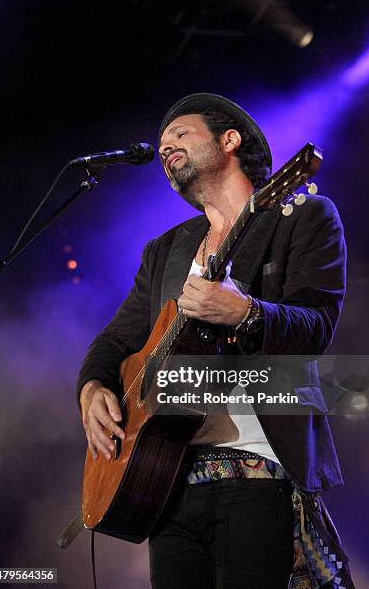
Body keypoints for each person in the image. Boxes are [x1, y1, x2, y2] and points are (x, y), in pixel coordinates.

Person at [77, 93, 354, 588]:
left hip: (259, 471)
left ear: (230, 140)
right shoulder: (165, 249)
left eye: (180, 134)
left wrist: (245, 313)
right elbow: (116, 339)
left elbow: (315, 327)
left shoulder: (302, 215)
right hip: (166, 481)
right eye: (161, 144)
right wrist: (92, 388)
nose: (166, 148)